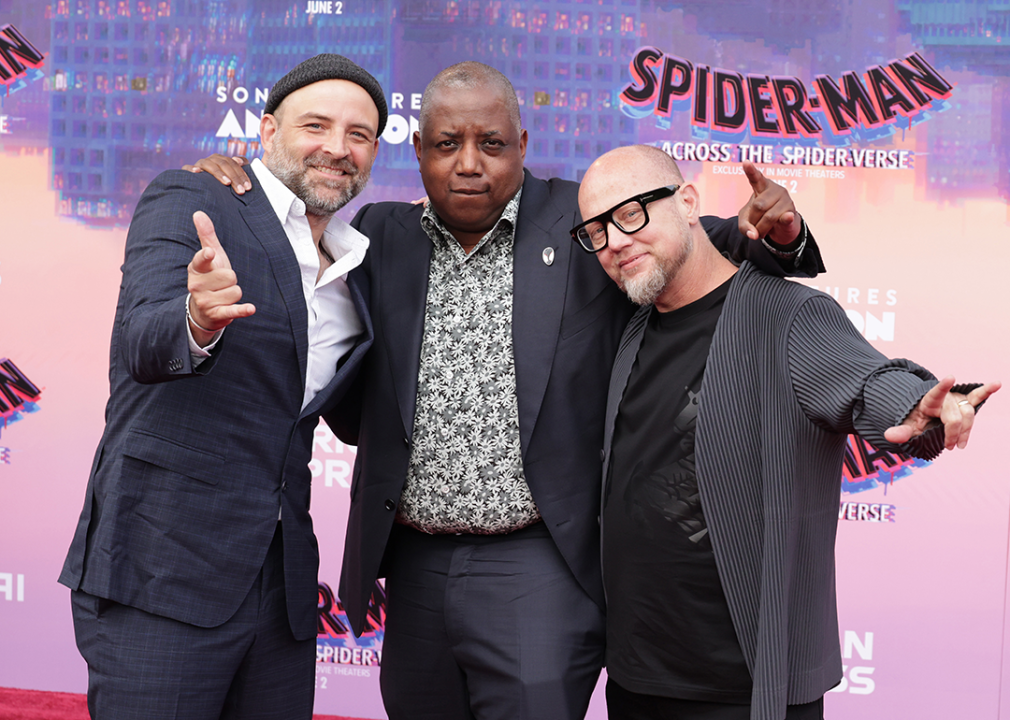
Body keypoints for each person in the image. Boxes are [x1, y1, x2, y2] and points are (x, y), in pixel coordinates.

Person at [187, 61, 823, 720]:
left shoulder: (583, 225)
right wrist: (235, 185)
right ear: (419, 151)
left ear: (520, 146)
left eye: (491, 144)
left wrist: (777, 235)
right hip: (412, 566)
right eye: (446, 145)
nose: (469, 164)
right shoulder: (377, 236)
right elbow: (287, 239)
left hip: (539, 563)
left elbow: (700, 242)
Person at [575, 144, 1000, 720]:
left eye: (630, 215)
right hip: (635, 679)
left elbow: (869, 382)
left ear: (688, 201)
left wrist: (920, 409)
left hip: (745, 687)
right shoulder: (630, 328)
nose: (615, 241)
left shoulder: (787, 316)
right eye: (597, 231)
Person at [58, 54, 388, 720]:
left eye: (359, 134)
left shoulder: (361, 264)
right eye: (315, 125)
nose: (337, 147)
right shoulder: (195, 198)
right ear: (266, 132)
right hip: (161, 574)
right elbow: (143, 339)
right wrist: (196, 319)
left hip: (282, 593)